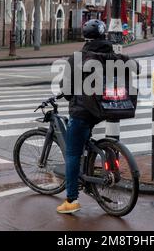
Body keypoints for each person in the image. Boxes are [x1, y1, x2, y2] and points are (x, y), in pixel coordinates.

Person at [57, 19, 137, 214]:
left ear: (85, 37)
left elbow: (67, 91)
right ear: (103, 36)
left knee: (72, 154)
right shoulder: (114, 56)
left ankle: (71, 199)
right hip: (104, 108)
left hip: (83, 110)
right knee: (85, 138)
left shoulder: (78, 58)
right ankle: (98, 157)